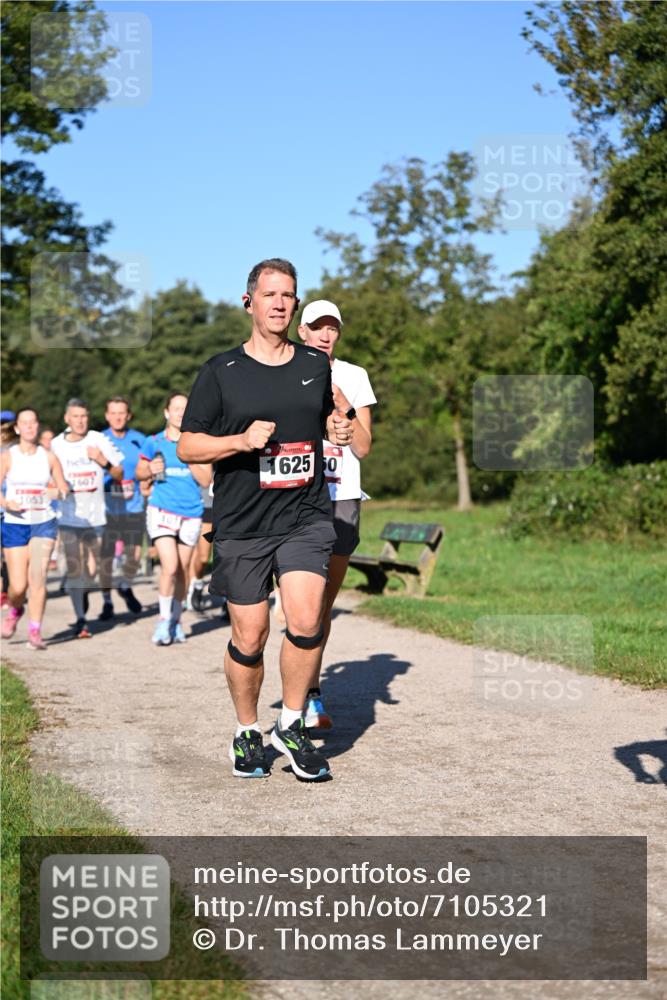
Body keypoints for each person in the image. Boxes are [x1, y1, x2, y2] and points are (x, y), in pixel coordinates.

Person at [177, 258, 352, 781]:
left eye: (288, 295)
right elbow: (188, 444)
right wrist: (238, 440)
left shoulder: (314, 365)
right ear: (248, 301)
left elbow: (328, 415)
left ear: (295, 305)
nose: (279, 303)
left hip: (305, 515)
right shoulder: (220, 371)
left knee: (305, 619)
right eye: (270, 294)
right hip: (243, 521)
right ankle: (248, 731)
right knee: (250, 636)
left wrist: (337, 430)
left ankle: (293, 724)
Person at [297, 300, 376, 728]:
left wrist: (344, 406)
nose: (326, 334)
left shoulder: (354, 376)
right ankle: (302, 694)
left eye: (333, 328)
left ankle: (310, 694)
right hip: (299, 496)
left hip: (343, 495)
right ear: (303, 331)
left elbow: (362, 447)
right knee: (300, 605)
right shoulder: (286, 368)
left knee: (322, 605)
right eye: (317, 327)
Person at [136, 393, 210, 646]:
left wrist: (187, 454)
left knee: (182, 571)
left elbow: (205, 480)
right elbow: (138, 471)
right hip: (162, 510)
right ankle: (163, 621)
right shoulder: (153, 441)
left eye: (185, 409)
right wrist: (148, 470)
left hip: (190, 512)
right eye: (176, 408)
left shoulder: (199, 443)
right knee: (169, 567)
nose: (180, 413)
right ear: (167, 413)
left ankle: (177, 621)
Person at [51, 398, 124, 638]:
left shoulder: (98, 439)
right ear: (67, 419)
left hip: (95, 518)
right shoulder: (55, 445)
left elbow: (119, 472)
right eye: (75, 417)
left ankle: (80, 593)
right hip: (69, 517)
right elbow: (49, 479)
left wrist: (102, 460)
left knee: (91, 571)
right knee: (75, 568)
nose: (80, 421)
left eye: (83, 416)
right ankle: (81, 619)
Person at [0, 408, 69, 648]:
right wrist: (6, 502)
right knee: (18, 586)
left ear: (37, 426)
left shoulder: (48, 457)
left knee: (37, 579)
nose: (29, 427)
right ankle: (16, 609)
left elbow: (63, 490)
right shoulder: (8, 457)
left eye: (33, 422)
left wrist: (53, 492)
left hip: (43, 522)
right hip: (15, 523)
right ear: (17, 428)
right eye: (24, 423)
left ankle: (35, 631)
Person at [98, 396, 146, 620]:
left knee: (134, 555)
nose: (118, 417)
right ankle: (107, 602)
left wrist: (147, 484)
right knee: (106, 560)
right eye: (113, 413)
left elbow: (147, 469)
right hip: (106, 508)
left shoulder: (139, 440)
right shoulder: (98, 440)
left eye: (122, 413)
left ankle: (125, 586)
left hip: (133, 505)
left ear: (128, 415)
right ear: (107, 416)